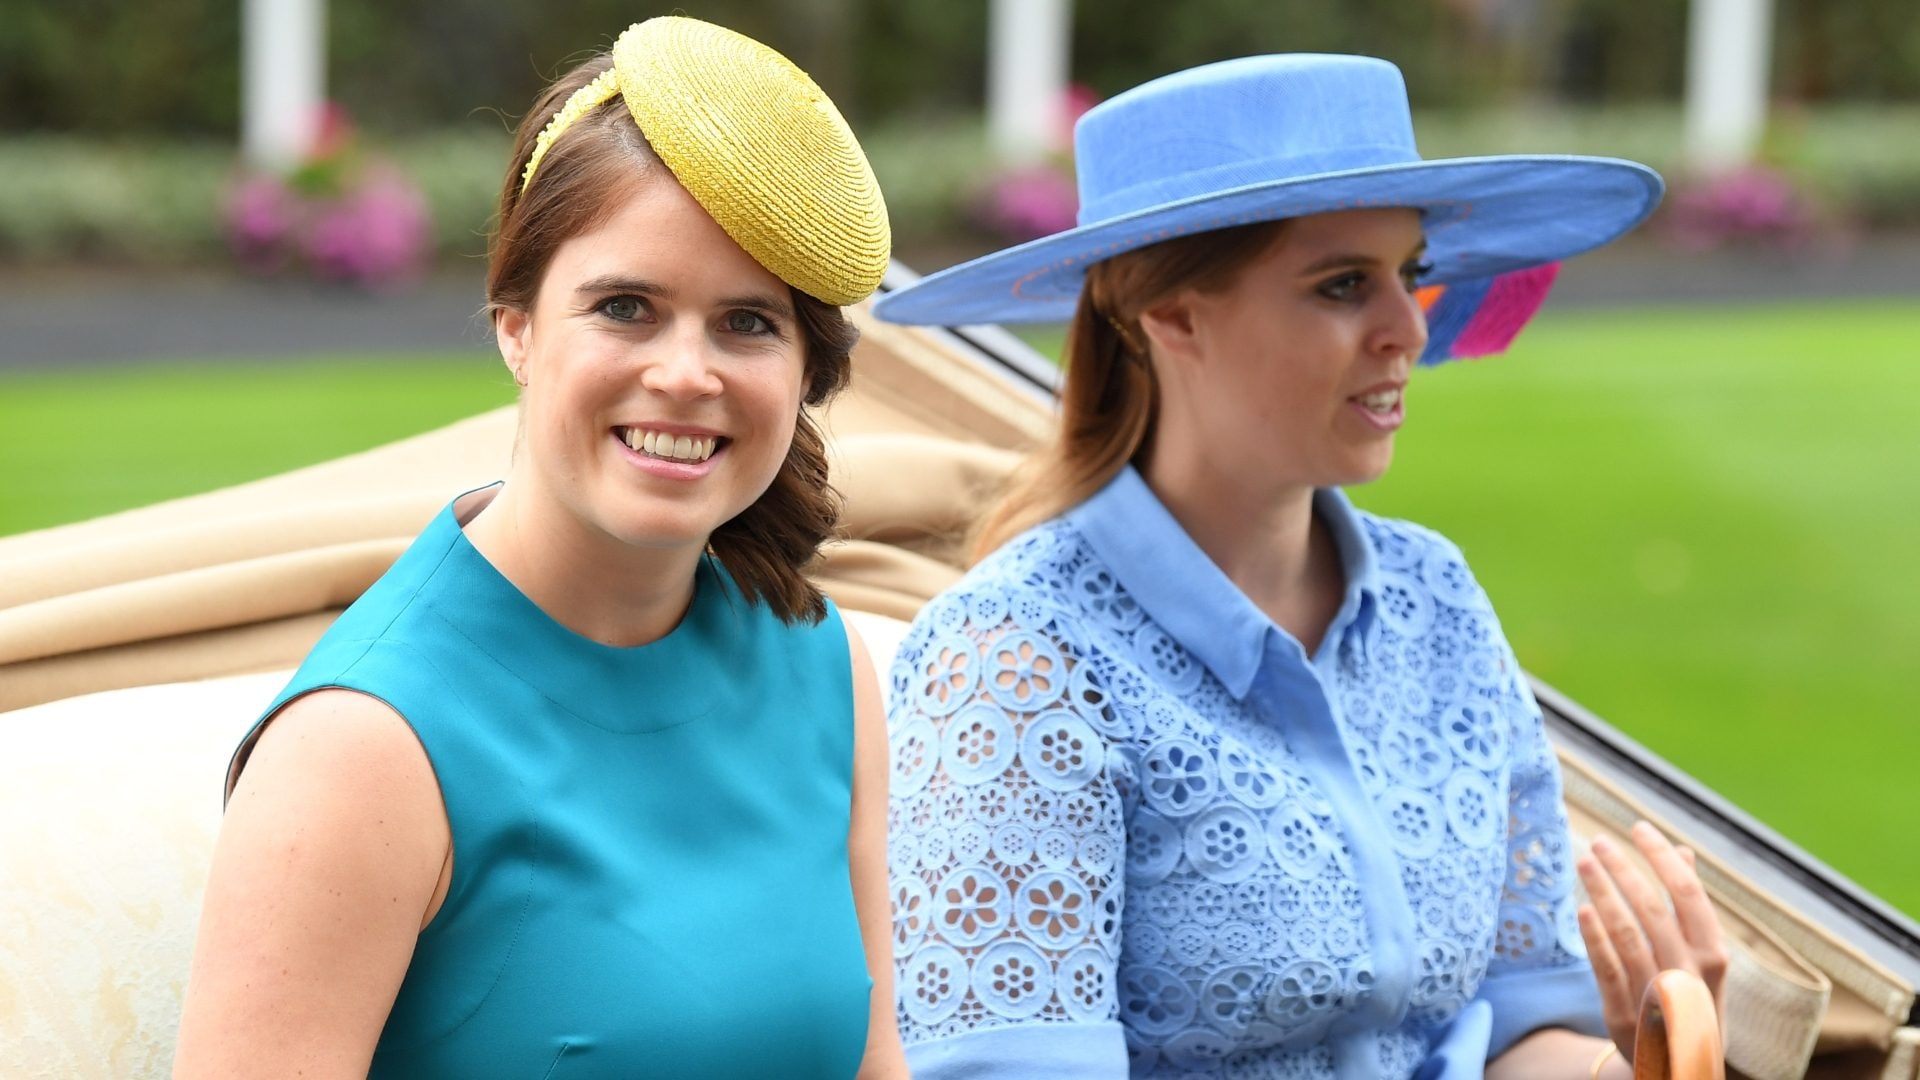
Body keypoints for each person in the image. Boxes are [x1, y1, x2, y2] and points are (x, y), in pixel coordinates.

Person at [872, 54, 1726, 1079]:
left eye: (1408, 274)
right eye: (1341, 286)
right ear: (1173, 314)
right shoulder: (1015, 664)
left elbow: (1514, 1022)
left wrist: (1644, 1060)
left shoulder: (1436, 599)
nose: (1409, 327)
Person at [175, 17, 906, 1078]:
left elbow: (874, 1061)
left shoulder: (821, 663)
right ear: (515, 324)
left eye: (748, 323)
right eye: (625, 308)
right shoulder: (362, 748)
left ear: (805, 372)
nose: (687, 373)